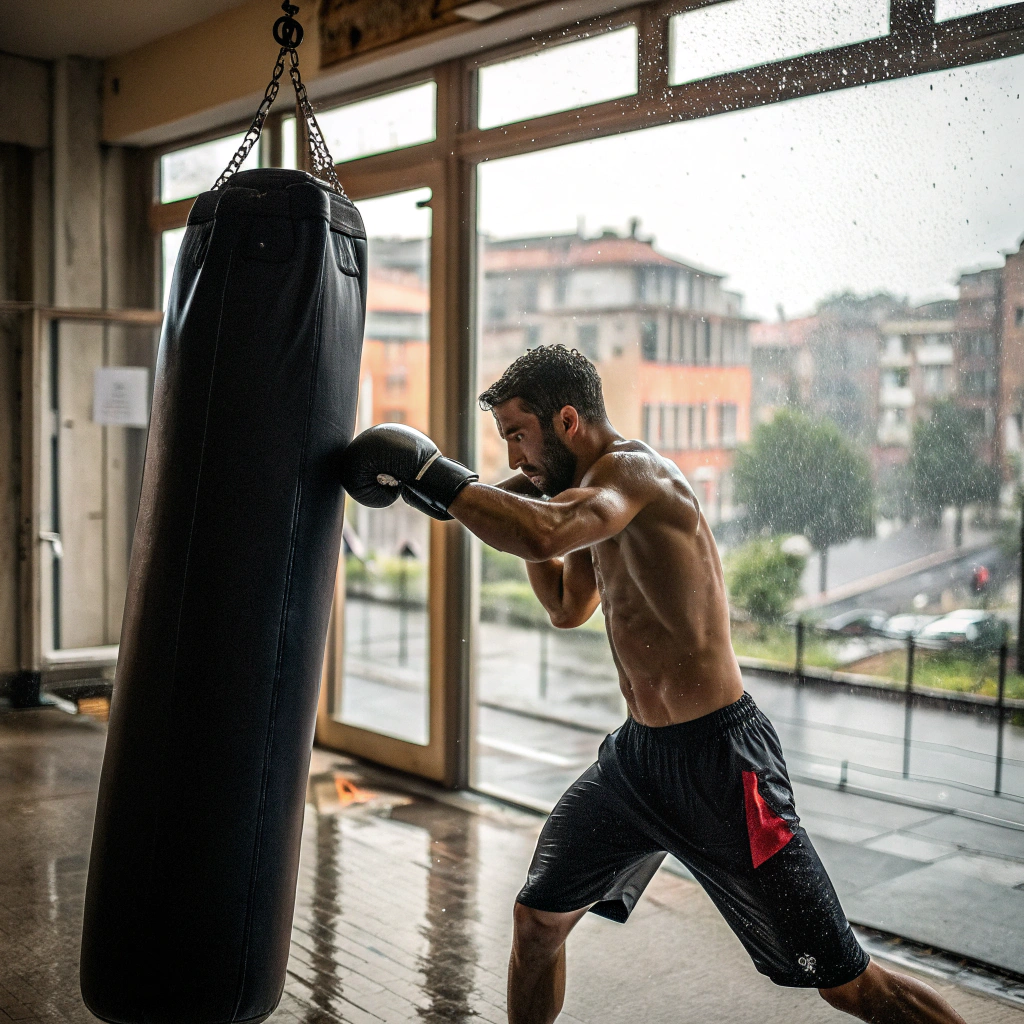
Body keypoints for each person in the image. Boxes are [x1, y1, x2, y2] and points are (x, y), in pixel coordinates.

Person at [341, 344, 967, 1024]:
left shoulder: (636, 475)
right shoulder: (589, 501)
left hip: (723, 766)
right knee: (538, 922)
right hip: (639, 764)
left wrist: (442, 479)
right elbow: (564, 605)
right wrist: (512, 502)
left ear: (568, 420)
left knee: (844, 981)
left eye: (519, 436)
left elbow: (548, 535)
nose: (516, 457)